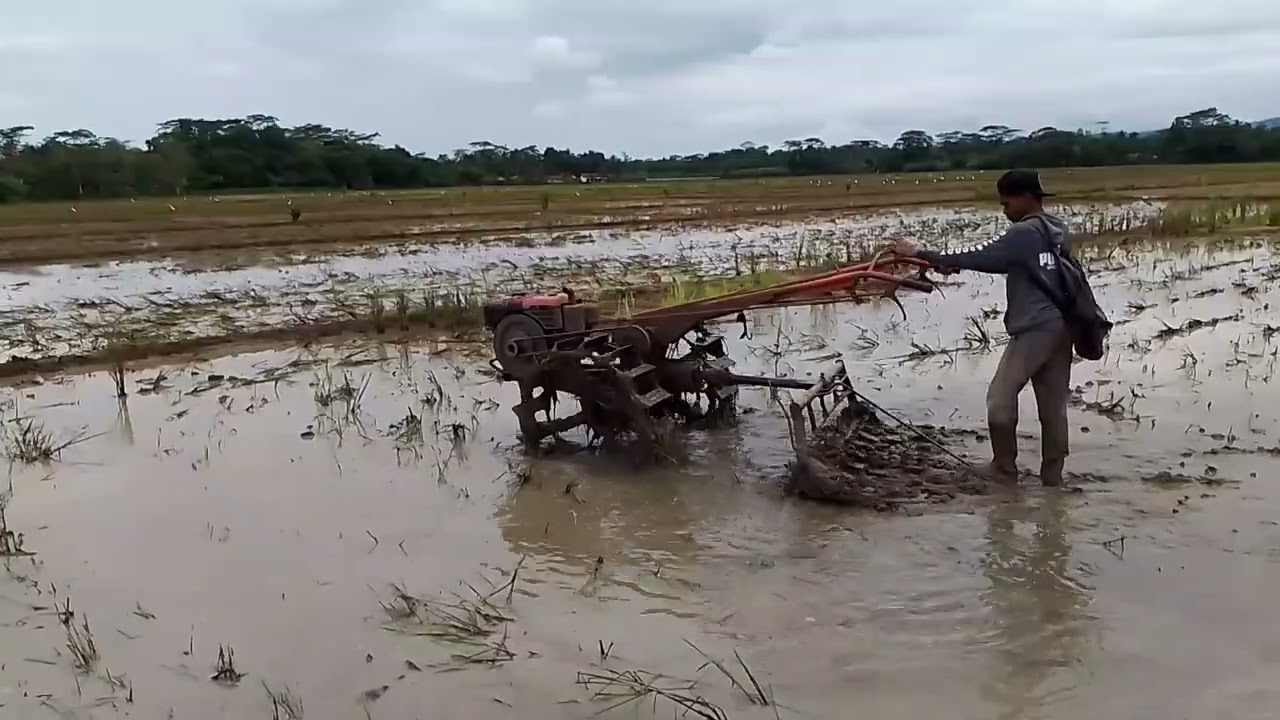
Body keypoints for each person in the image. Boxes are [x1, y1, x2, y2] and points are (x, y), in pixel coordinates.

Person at [893, 169, 1072, 487]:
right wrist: (948, 263)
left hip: (1035, 327)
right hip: (1064, 325)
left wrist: (921, 253)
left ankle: (1003, 472)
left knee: (1000, 400)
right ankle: (1053, 479)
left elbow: (982, 254)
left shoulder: (1023, 232)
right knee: (1053, 406)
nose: (1004, 212)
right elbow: (1004, 261)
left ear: (1025, 199)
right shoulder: (1056, 229)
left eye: (1006, 204)